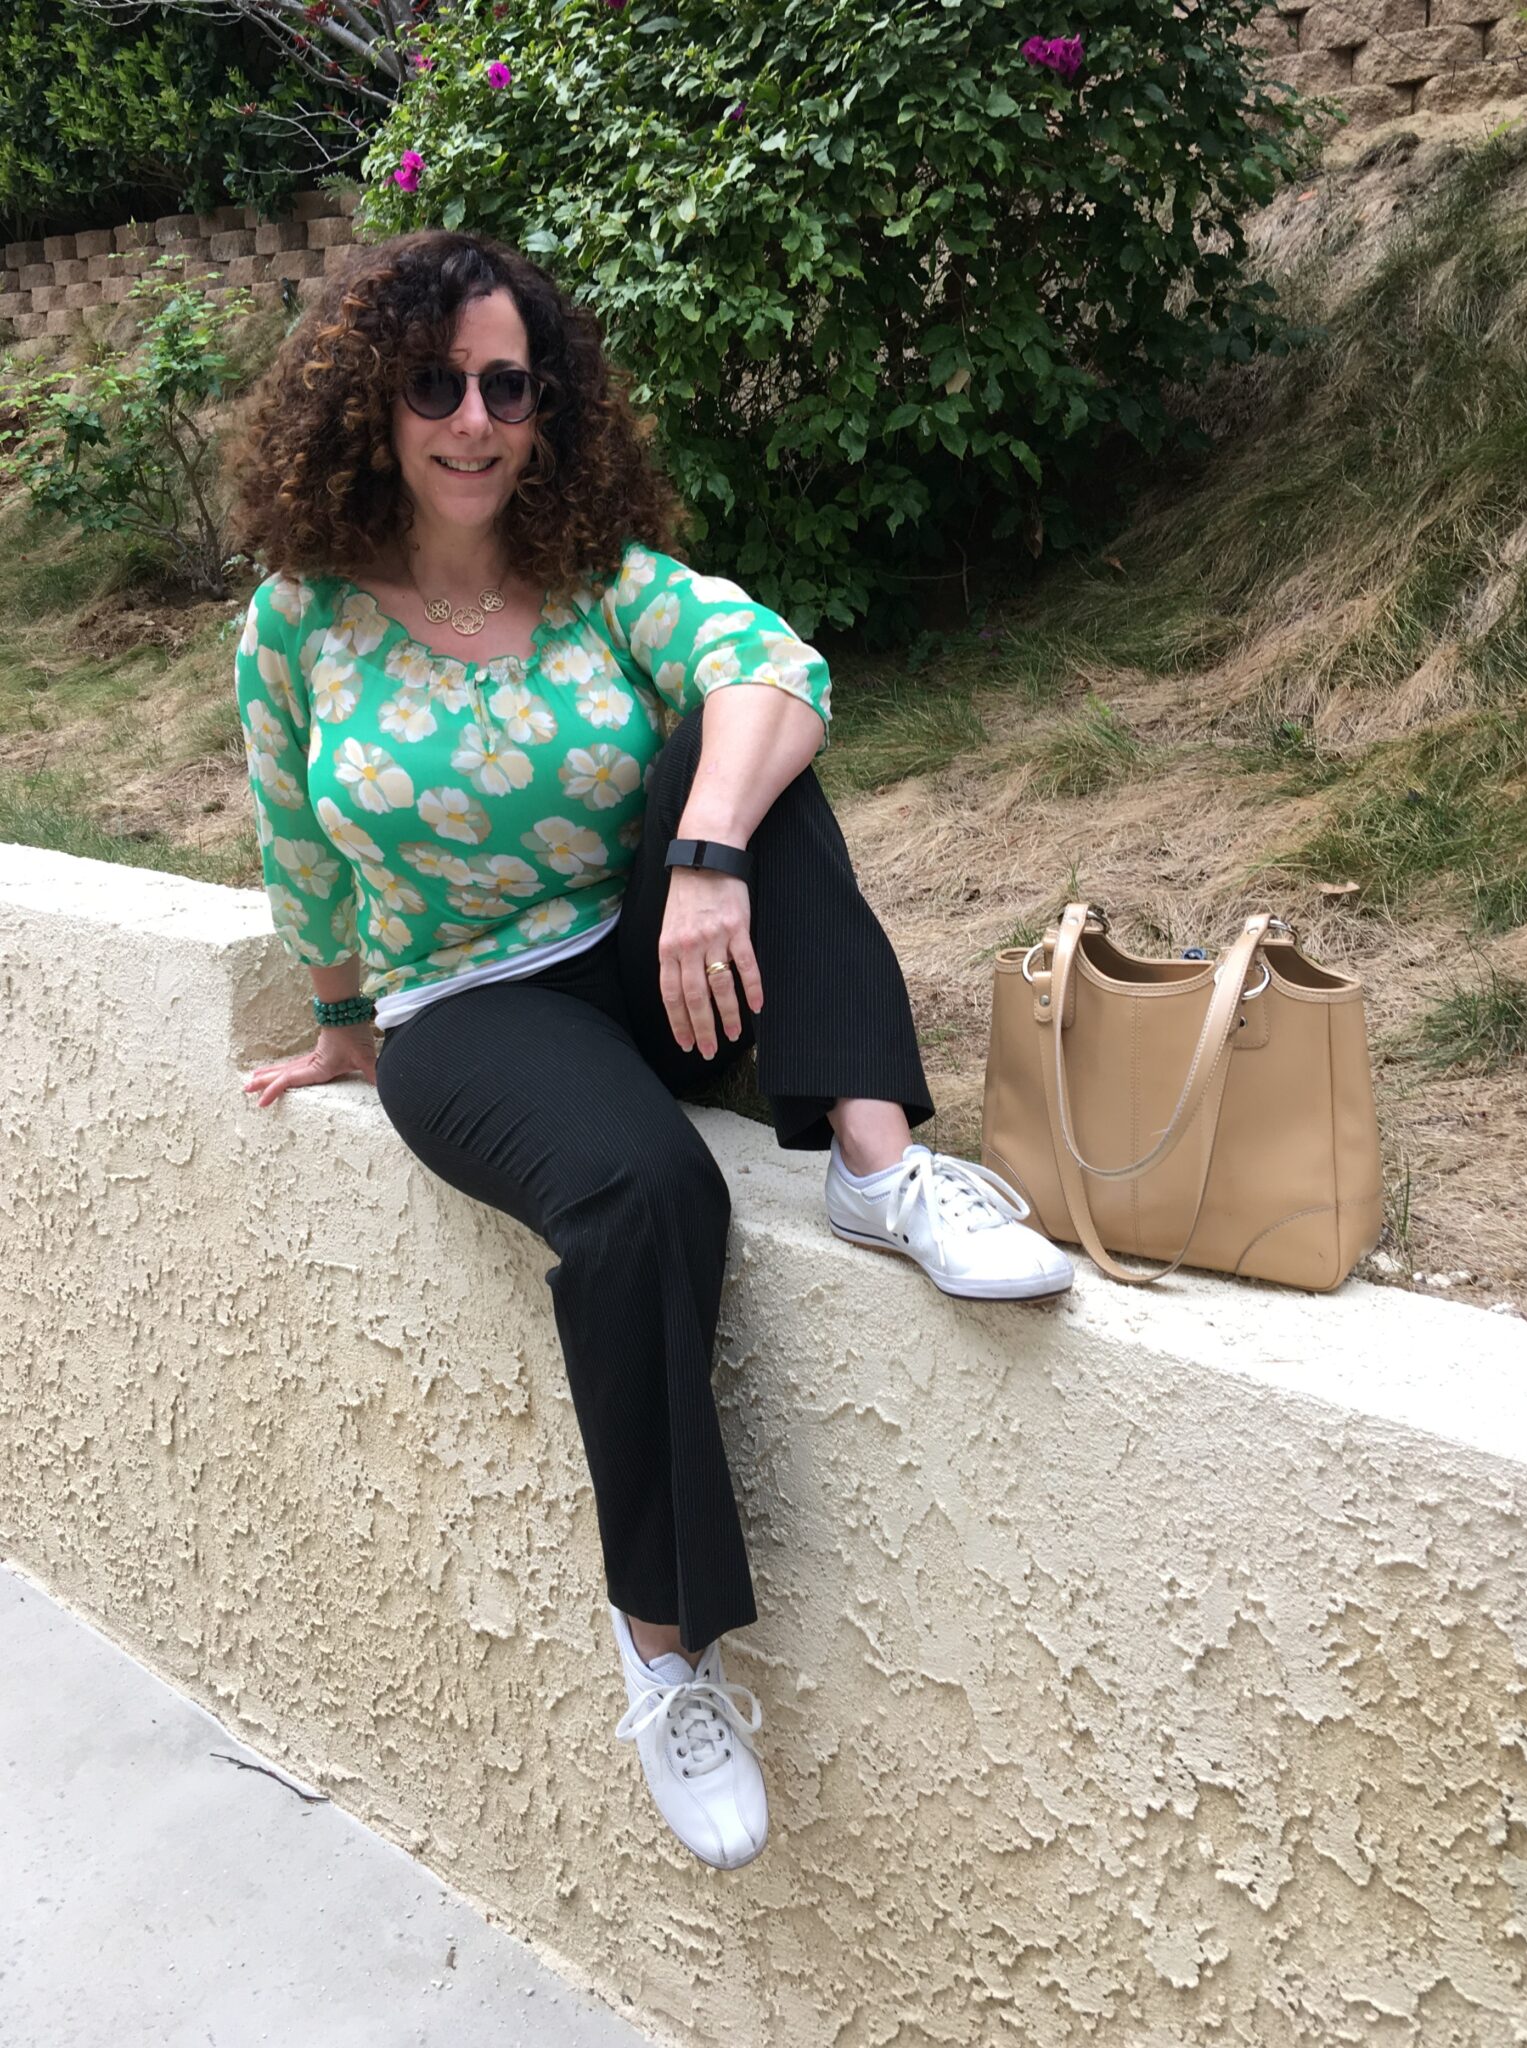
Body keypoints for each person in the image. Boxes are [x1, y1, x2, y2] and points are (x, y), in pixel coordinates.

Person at [230, 231, 1073, 1873]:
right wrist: (340, 1029)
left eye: (507, 385)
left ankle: (880, 1168)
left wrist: (701, 853)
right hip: (466, 1011)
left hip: (656, 965)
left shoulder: (598, 574)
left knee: (747, 753)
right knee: (644, 1194)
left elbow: (780, 670)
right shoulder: (297, 623)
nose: (474, 421)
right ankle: (666, 1653)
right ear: (369, 401)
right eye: (435, 386)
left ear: (547, 401)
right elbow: (299, 850)